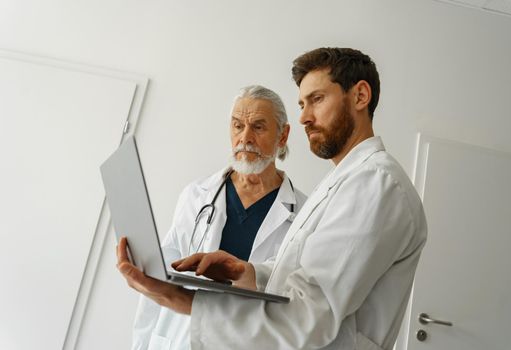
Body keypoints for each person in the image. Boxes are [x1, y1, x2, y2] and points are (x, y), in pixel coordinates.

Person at [118, 47, 427, 350]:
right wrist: (247, 272)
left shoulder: (375, 183)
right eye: (302, 104)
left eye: (316, 100)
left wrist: (180, 300)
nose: (305, 117)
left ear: (360, 96)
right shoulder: (344, 181)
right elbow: (300, 278)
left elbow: (310, 314)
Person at [130, 85, 307, 349]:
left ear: (283, 136)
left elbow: (298, 301)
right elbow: (160, 278)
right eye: (237, 126)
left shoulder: (304, 214)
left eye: (258, 127)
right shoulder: (196, 195)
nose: (245, 138)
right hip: (181, 338)